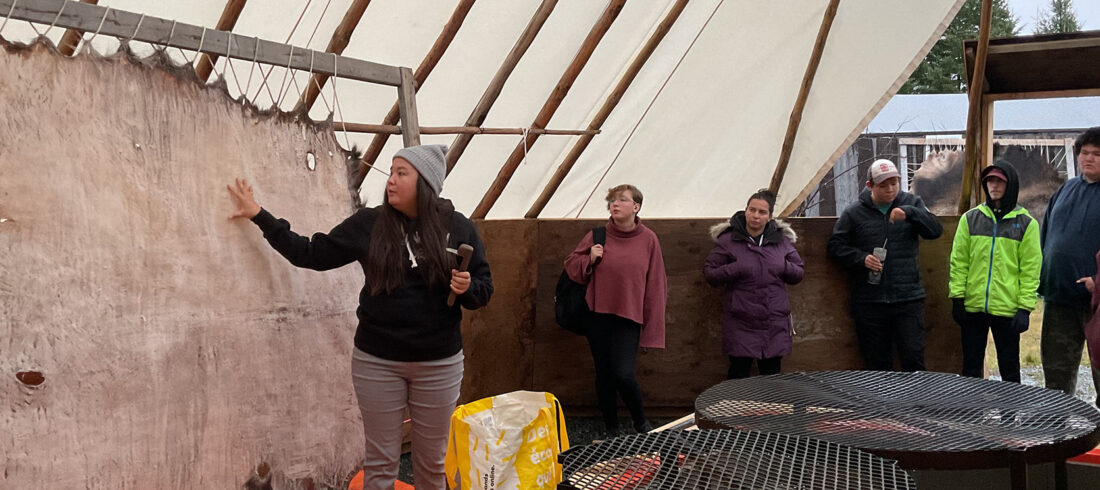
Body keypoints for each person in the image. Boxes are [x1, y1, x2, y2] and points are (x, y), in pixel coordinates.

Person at [225, 144, 493, 490]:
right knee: (380, 465)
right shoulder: (370, 224)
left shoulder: (458, 229)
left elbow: (484, 289)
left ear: (425, 183)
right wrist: (260, 215)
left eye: (401, 173)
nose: (390, 180)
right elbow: (311, 253)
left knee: (432, 465)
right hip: (377, 362)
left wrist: (468, 287)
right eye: (391, 172)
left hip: (439, 365)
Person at [564, 184, 667, 438]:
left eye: (622, 199)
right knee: (604, 373)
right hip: (596, 315)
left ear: (636, 207)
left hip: (629, 317)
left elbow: (656, 284)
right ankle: (611, 428)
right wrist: (589, 258)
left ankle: (641, 424)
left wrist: (652, 330)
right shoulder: (597, 235)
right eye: (612, 200)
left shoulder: (649, 239)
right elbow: (571, 266)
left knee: (623, 373)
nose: (615, 204)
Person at [827, 159, 943, 371]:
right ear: (870, 186)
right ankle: (881, 395)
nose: (890, 189)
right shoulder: (854, 213)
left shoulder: (912, 203)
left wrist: (911, 213)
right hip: (870, 301)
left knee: (913, 358)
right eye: (883, 185)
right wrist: (861, 259)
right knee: (877, 364)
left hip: (908, 298)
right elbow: (835, 246)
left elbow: (935, 231)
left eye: (894, 183)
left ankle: (917, 395)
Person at [948, 161, 1041, 383]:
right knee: (971, 368)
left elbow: (1030, 269)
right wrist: (957, 297)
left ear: (1011, 185)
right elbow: (959, 261)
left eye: (1000, 181)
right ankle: (972, 405)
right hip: (974, 305)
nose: (994, 186)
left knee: (1009, 369)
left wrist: (1025, 308)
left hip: (1007, 308)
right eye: (990, 181)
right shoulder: (970, 219)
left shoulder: (1026, 224)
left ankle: (1010, 408)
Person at [704, 189, 804, 379]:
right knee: (738, 375)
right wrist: (736, 268)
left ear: (770, 217)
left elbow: (798, 273)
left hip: (773, 320)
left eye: (762, 212)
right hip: (741, 320)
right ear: (746, 211)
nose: (755, 216)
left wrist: (782, 265)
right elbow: (710, 273)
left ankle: (770, 401)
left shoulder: (781, 241)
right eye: (752, 210)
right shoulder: (728, 240)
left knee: (771, 377)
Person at [1039, 127, 1100, 403]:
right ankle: (1058, 428)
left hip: (1096, 302)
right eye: (1084, 153)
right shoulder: (1067, 188)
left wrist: (1097, 282)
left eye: (1097, 154)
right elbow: (1047, 233)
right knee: (1056, 378)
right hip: (1059, 297)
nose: (1089, 158)